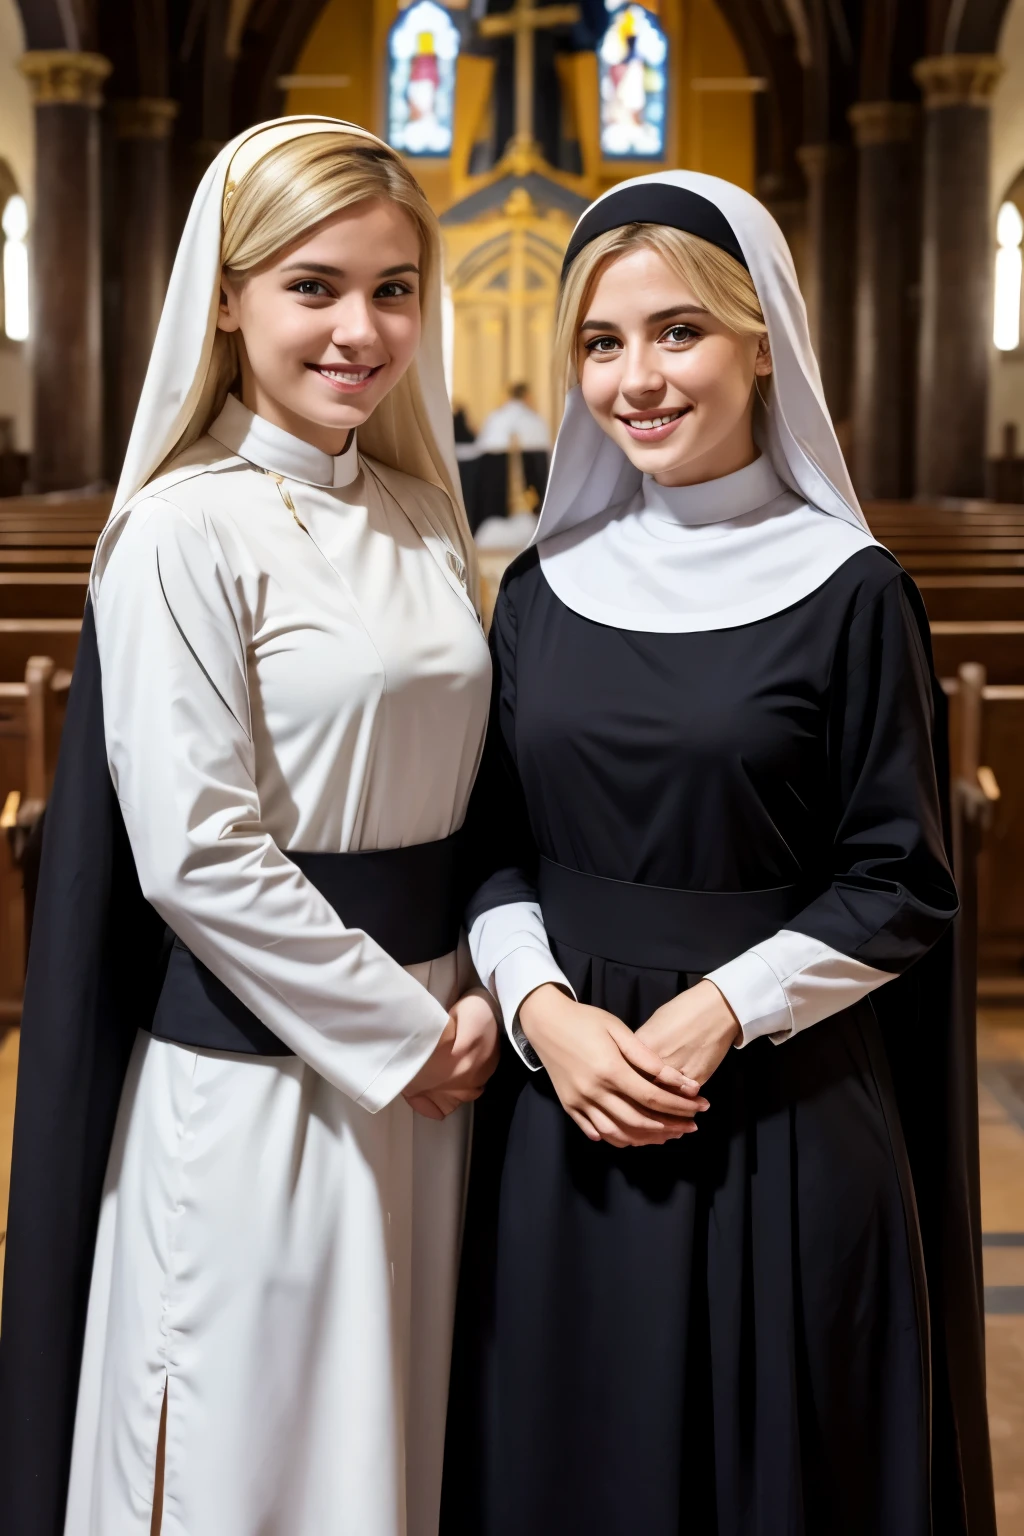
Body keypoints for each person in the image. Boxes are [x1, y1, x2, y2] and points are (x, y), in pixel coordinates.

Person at [442, 173, 994, 1535]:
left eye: (678, 332)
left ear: (763, 344)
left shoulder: (850, 588)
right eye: (602, 342)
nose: (637, 378)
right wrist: (540, 1011)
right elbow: (493, 846)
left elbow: (900, 877)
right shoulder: (544, 590)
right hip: (564, 1110)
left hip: (778, 1113)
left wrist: (715, 1012)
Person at [0, 117, 499, 1536]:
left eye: (395, 289)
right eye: (314, 285)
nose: (361, 329)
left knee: (390, 1442)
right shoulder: (180, 531)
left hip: (434, 1065)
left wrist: (471, 1003)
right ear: (226, 296)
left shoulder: (416, 514)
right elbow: (198, 852)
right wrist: (405, 1039)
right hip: (271, 1078)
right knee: (254, 1452)